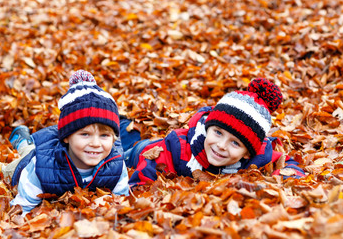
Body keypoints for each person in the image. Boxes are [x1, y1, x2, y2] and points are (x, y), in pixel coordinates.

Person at [121, 78, 305, 186]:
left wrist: (280, 181)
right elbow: (148, 170)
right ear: (209, 128)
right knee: (123, 149)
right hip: (143, 152)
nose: (221, 145)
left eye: (235, 143)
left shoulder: (258, 157)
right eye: (218, 133)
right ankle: (122, 125)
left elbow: (289, 166)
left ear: (248, 151)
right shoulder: (178, 147)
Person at [8, 70, 129, 216]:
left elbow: (121, 203)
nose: (96, 143)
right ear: (66, 137)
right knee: (12, 164)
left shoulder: (116, 164)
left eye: (104, 135)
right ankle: (21, 142)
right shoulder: (40, 167)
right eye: (85, 134)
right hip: (27, 165)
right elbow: (20, 210)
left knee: (30, 149)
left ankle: (24, 141)